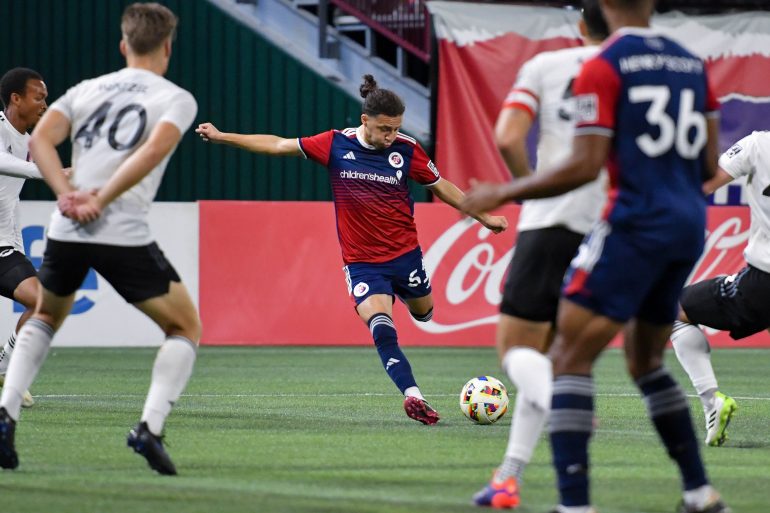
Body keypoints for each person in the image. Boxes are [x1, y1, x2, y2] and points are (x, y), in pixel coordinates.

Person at [462, 0, 729, 511]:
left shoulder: (603, 66)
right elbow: (709, 163)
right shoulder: (690, 64)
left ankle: (574, 505)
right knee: (647, 360)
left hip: (630, 224)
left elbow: (585, 165)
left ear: (598, 11)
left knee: (566, 360)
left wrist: (505, 191)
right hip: (689, 225)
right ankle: (699, 491)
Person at [196, 74, 508, 425]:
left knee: (425, 314)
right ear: (365, 121)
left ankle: (409, 302)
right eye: (384, 129)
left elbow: (442, 186)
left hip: (405, 256)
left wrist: (484, 218)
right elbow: (278, 145)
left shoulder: (406, 149)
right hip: (362, 264)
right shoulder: (334, 144)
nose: (391, 136)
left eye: (396, 129)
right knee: (381, 325)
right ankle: (413, 395)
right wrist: (223, 137)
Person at [0, 2, 200, 476]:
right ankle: (149, 428)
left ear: (123, 45)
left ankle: (5, 417)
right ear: (167, 46)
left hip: (66, 227)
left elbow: (42, 140)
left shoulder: (87, 90)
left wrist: (67, 194)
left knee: (46, 314)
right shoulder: (176, 98)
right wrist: (100, 197)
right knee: (184, 328)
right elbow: (152, 151)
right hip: (120, 229)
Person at [472, 2, 609, 509]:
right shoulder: (634, 73)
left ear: (581, 26)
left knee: (515, 349)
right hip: (609, 230)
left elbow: (508, 134)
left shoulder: (549, 67)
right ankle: (507, 479)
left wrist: (525, 188)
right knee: (554, 357)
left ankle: (563, 406)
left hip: (552, 221)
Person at [671, 131, 770, 448]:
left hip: (763, 283)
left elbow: (705, 183)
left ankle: (711, 400)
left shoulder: (759, 144)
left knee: (673, 310)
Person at [0, 67, 56, 409]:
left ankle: (5, 366)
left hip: (4, 247)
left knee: (42, 303)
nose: (45, 105)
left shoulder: (33, 143)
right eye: (39, 97)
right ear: (15, 99)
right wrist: (49, 172)